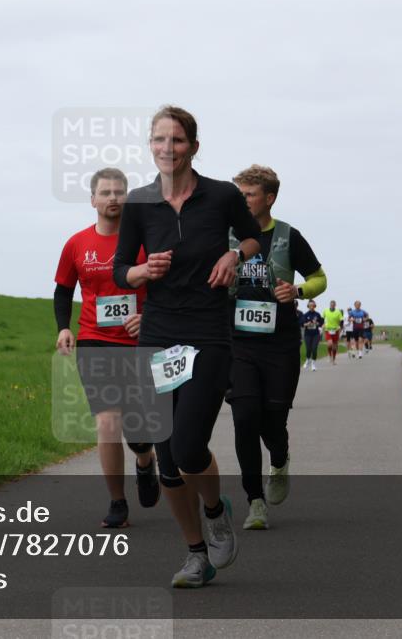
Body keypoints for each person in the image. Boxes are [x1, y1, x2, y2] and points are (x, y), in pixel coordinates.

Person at [113, 106, 261, 588]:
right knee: (166, 450)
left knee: (188, 443)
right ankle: (196, 553)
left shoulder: (221, 196)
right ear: (150, 146)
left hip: (208, 331)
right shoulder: (138, 203)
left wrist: (233, 253)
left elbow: (254, 237)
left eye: (176, 140)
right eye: (159, 140)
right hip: (158, 333)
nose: (167, 148)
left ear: (194, 146)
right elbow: (121, 271)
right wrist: (142, 272)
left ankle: (216, 510)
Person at [54, 167, 159, 529]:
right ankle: (117, 501)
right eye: (106, 192)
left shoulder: (144, 241)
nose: (113, 198)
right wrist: (63, 329)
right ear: (93, 199)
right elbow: (63, 290)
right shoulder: (76, 243)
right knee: (108, 421)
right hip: (94, 340)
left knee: (139, 426)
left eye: (119, 192)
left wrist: (147, 317)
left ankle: (145, 461)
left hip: (140, 342)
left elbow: (165, 287)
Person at [227, 165, 326, 531]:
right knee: (244, 418)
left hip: (280, 343)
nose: (241, 200)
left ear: (269, 198)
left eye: (248, 194)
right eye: (237, 194)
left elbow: (319, 277)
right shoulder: (227, 236)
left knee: (272, 420)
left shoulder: (288, 236)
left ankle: (280, 459)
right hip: (238, 343)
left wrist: (296, 291)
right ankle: (254, 500)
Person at [300, 300, 325, 371]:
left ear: (315, 306)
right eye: (310, 306)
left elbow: (321, 323)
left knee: (314, 349)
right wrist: (307, 324)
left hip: (316, 334)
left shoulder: (317, 314)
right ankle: (308, 360)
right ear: (308, 306)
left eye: (313, 306)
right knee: (308, 349)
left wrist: (317, 324)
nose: (311, 307)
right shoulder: (305, 315)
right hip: (307, 334)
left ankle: (313, 363)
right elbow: (302, 324)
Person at [322, 300, 344, 365]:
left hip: (336, 330)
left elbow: (341, 320)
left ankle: (333, 359)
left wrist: (341, 327)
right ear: (330, 305)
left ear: (335, 305)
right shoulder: (326, 311)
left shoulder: (338, 312)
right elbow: (322, 318)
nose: (332, 305)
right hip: (328, 329)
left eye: (333, 304)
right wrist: (322, 324)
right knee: (329, 344)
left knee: (334, 346)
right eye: (331, 304)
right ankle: (329, 356)